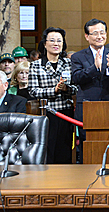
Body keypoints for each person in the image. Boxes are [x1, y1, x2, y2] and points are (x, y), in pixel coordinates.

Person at [71, 19, 109, 163]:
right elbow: (76, 78)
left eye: (102, 32)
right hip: (87, 106)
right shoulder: (78, 57)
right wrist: (95, 68)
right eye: (95, 33)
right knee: (86, 142)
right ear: (87, 36)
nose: (100, 36)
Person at [29, 27, 78, 164]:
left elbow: (76, 88)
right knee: (48, 149)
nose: (56, 44)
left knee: (66, 148)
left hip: (67, 113)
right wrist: (54, 90)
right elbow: (33, 90)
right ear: (45, 44)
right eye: (52, 40)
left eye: (59, 41)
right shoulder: (36, 65)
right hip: (47, 113)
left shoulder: (69, 63)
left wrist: (66, 88)